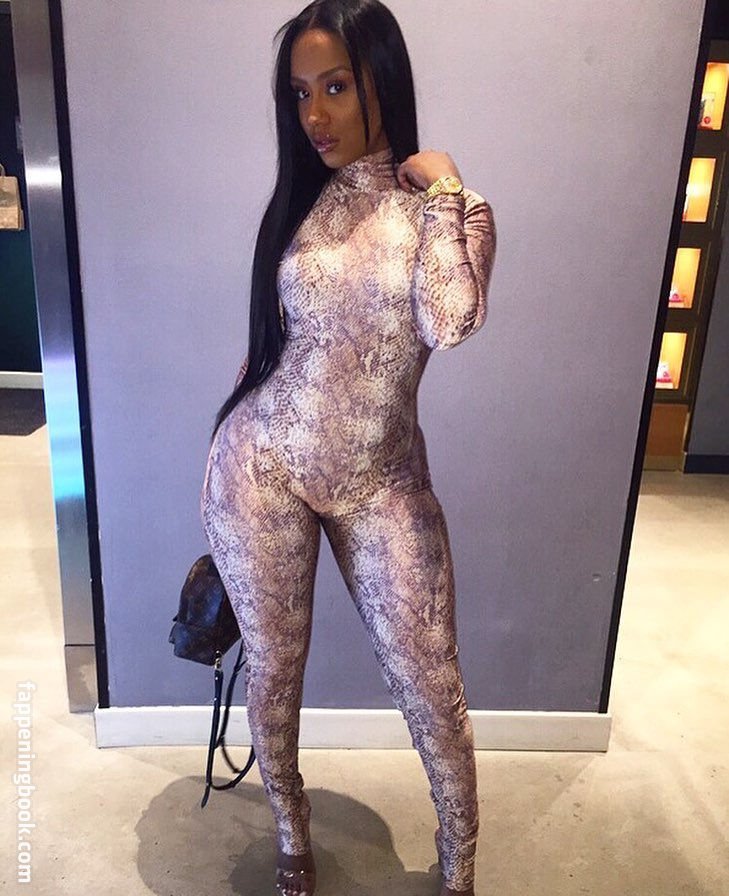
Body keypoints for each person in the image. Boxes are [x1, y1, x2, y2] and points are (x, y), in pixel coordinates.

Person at [200, 1, 496, 893]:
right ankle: (291, 831)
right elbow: (280, 346)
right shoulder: (301, 204)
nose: (314, 115)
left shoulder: (449, 211)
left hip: (381, 482)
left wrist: (445, 189)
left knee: (430, 681)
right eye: (300, 94)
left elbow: (450, 320)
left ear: (381, 80)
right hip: (262, 468)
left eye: (335, 86)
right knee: (273, 670)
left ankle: (459, 867)